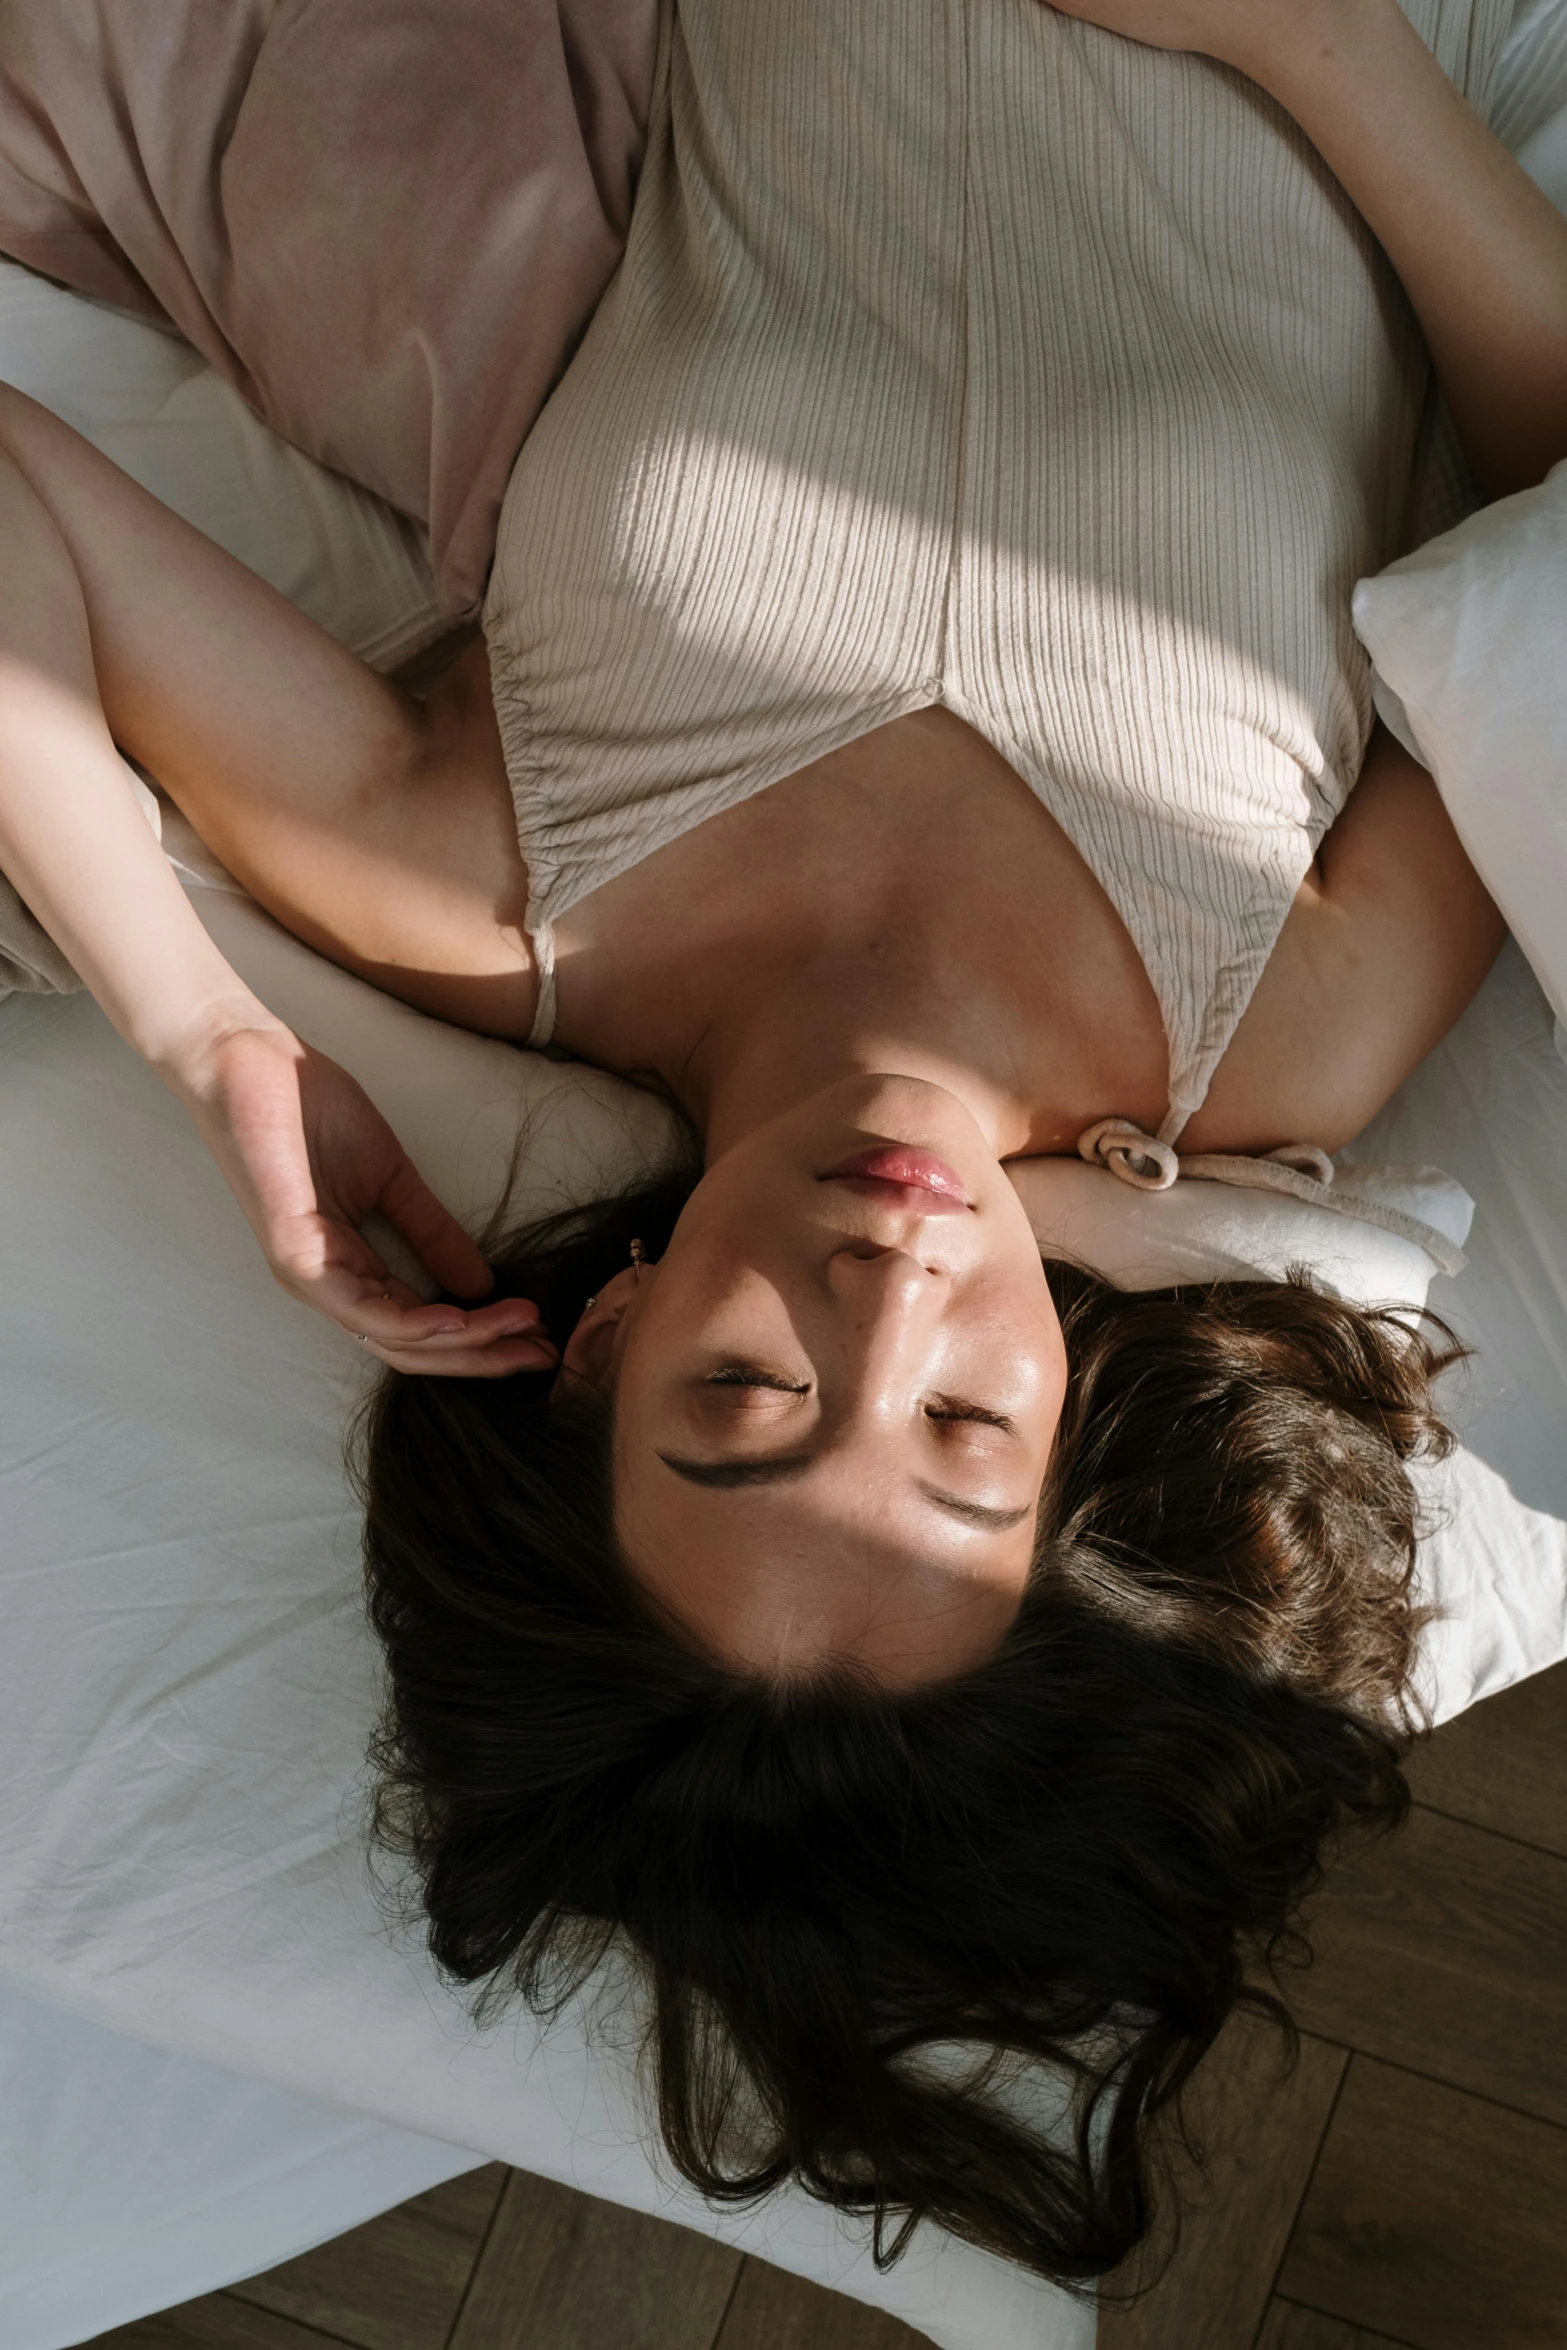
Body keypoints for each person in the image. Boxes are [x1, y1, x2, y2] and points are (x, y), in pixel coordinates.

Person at [2, 0, 1565, 2289]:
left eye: (746, 1399)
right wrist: (1311, 54)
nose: (887, 1291)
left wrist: (200, 1016)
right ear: (1076, 1414)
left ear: (603, 1337)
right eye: (958, 1430)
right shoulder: (1274, 1035)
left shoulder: (490, 891)